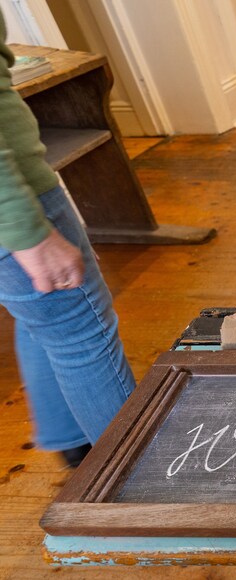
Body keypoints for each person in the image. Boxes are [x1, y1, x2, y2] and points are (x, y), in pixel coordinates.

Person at [0, 14, 135, 467]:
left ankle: (72, 440)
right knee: (82, 330)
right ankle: (142, 481)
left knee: (46, 316)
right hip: (15, 198)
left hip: (15, 197)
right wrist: (26, 230)